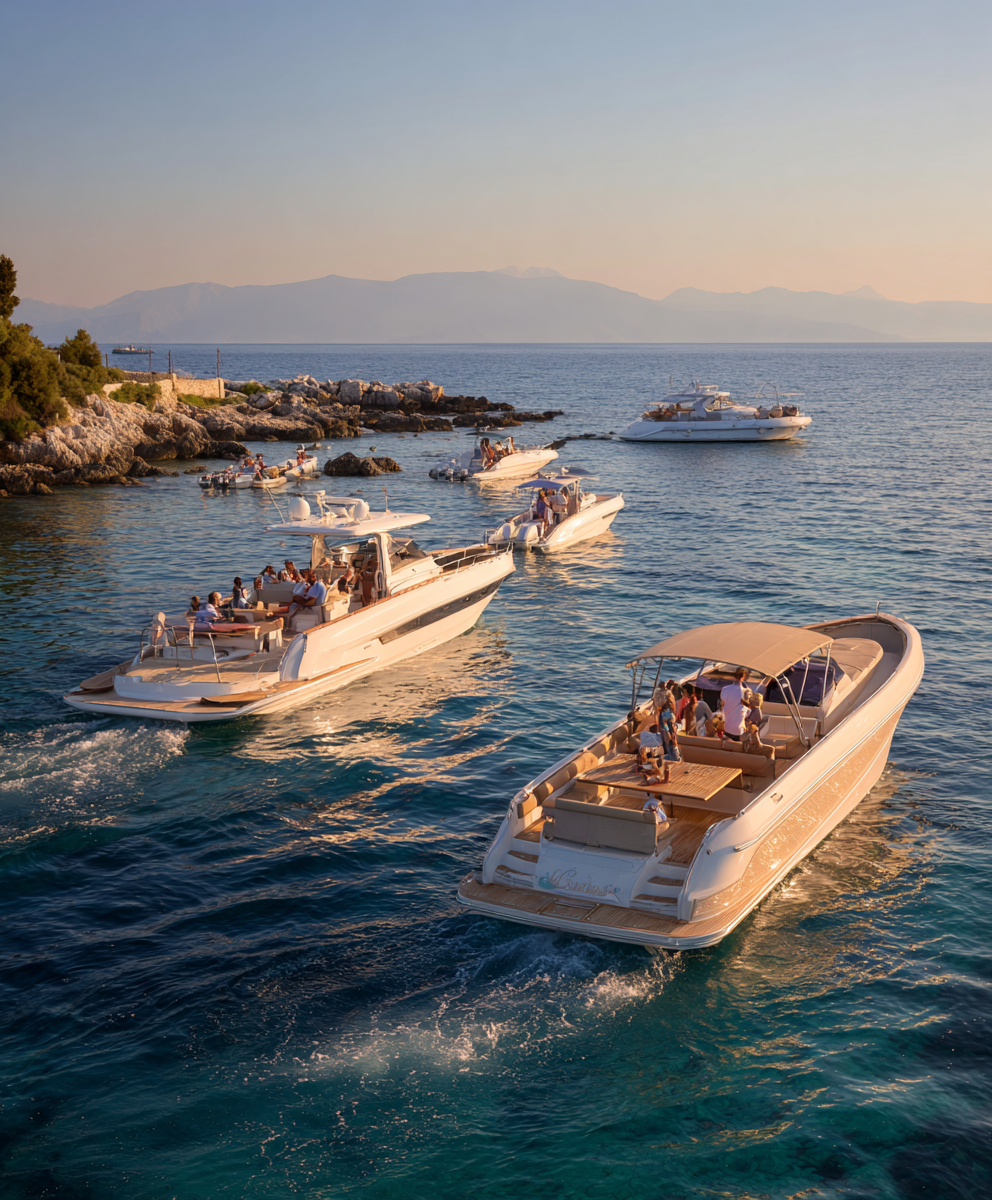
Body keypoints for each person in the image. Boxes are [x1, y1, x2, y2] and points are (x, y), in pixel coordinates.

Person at [720, 666, 750, 744]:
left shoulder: (725, 689)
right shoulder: (746, 692)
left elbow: (722, 704)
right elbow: (747, 711)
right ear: (744, 676)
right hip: (739, 730)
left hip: (727, 727)